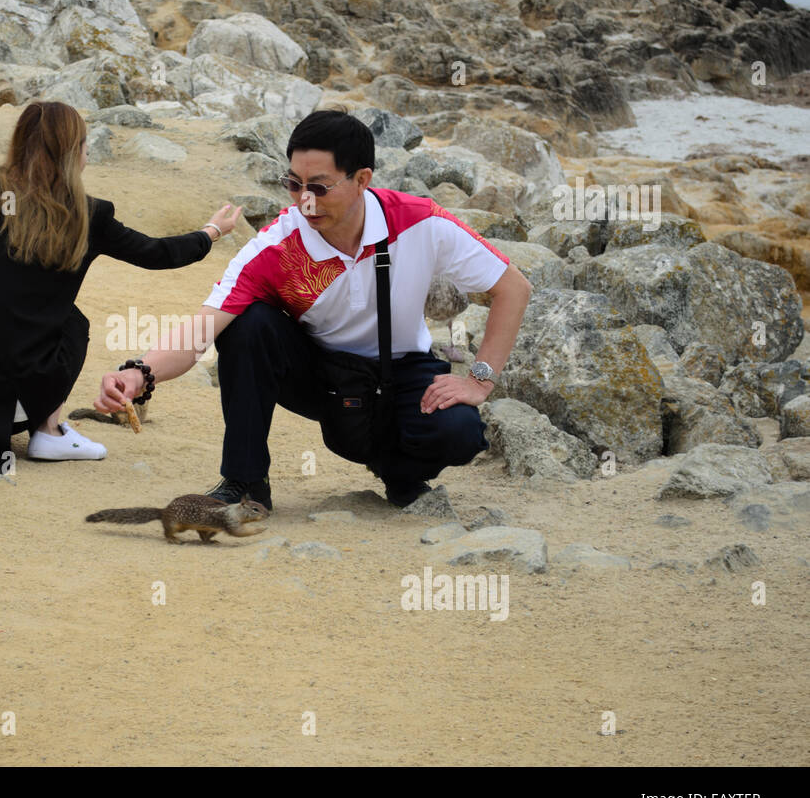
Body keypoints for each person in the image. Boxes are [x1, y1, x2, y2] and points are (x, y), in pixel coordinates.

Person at [94, 108, 533, 509]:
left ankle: (402, 475)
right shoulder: (277, 245)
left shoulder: (419, 221)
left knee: (460, 431)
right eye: (293, 184)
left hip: (401, 371)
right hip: (323, 378)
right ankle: (245, 483)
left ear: (362, 179)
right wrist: (139, 373)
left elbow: (513, 289)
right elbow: (203, 328)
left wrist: (479, 380)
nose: (305, 200)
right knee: (248, 326)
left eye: (320, 187)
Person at [0, 100, 242, 473]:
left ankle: (21, 416)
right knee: (71, 321)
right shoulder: (87, 214)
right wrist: (211, 233)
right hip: (10, 400)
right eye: (84, 146)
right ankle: (48, 430)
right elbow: (156, 253)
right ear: (72, 152)